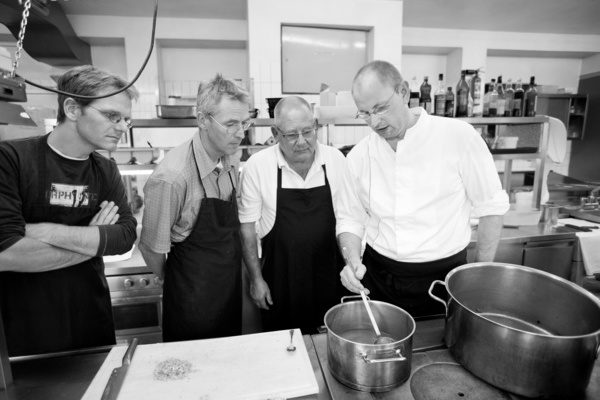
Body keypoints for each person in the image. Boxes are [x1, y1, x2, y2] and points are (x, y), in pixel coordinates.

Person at [337, 60, 510, 318]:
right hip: (380, 278)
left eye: (380, 108)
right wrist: (352, 261)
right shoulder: (359, 156)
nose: (374, 122)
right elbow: (350, 219)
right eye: (364, 113)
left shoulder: (458, 137)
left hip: (443, 279)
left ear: (404, 92)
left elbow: (491, 207)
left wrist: (478, 278)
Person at [0, 65, 138, 356]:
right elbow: (7, 253)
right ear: (73, 109)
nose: (123, 127)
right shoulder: (11, 160)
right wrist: (94, 240)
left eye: (126, 119)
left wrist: (47, 232)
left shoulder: (106, 169)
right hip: (26, 331)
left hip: (92, 322)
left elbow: (125, 236)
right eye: (112, 116)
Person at [139, 74, 252, 342]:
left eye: (244, 123)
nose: (240, 133)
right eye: (231, 124)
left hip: (228, 289)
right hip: (191, 299)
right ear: (202, 120)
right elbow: (151, 248)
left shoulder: (230, 156)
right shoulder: (172, 177)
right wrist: (177, 281)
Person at [239, 96, 348, 334]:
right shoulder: (257, 166)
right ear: (275, 133)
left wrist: (352, 263)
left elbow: (348, 220)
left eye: (307, 132)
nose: (301, 142)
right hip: (281, 282)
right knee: (283, 348)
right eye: (291, 135)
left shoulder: (336, 160)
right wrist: (256, 280)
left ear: (316, 126)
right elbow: (246, 229)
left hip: (330, 278)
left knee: (330, 344)